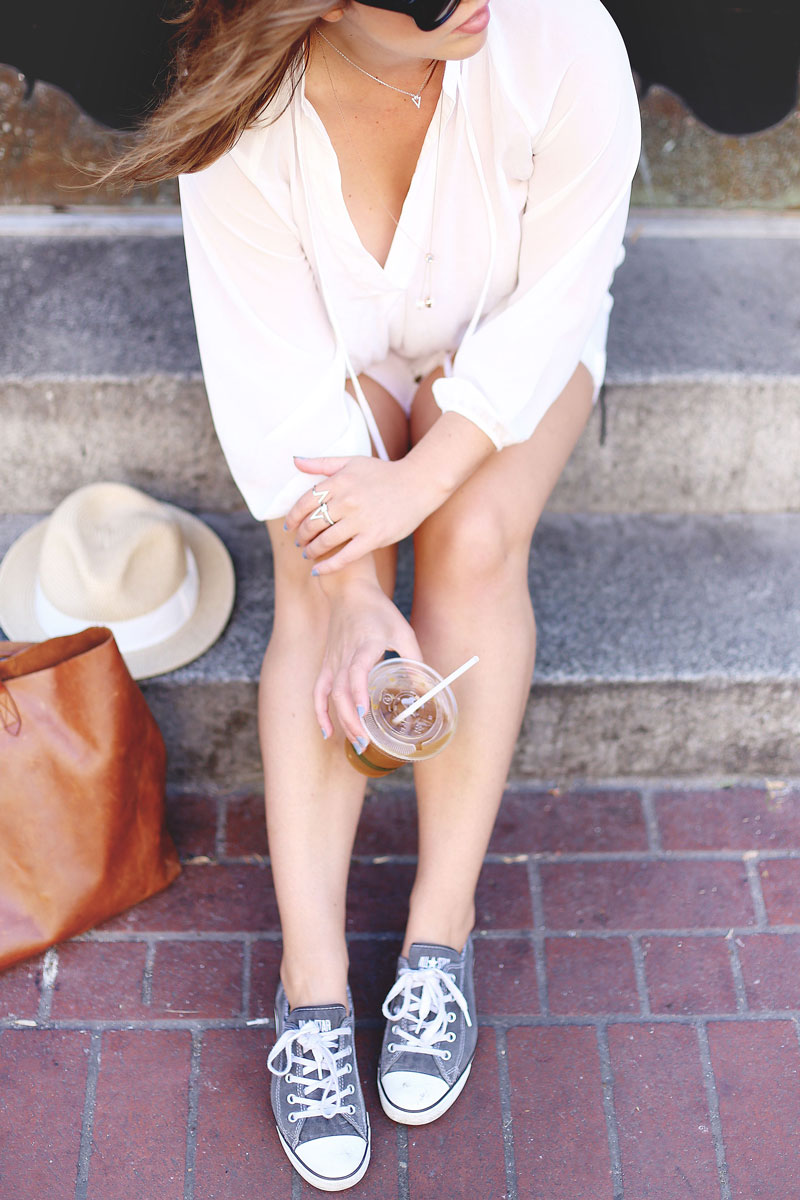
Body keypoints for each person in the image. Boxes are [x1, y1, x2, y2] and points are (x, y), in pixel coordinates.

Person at [110, 0, 640, 1189]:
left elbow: (556, 294)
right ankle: (310, 990)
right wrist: (353, 587)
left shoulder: (560, 39)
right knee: (315, 583)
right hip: (330, 352)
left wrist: (427, 479)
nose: (474, 6)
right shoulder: (239, 113)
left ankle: (437, 937)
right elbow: (271, 374)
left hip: (513, 335)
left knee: (471, 540)